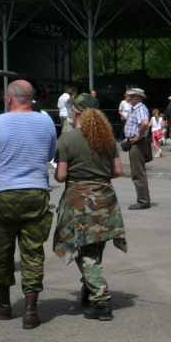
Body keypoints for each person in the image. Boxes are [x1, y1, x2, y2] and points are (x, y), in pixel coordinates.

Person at [0, 80, 58, 328]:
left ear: (9, 97)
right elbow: (50, 154)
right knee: (33, 251)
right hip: (36, 192)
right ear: (31, 97)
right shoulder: (46, 121)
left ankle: (3, 303)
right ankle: (31, 310)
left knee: (2, 248)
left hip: (3, 194)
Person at [54, 93, 126, 320]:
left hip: (79, 201)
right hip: (105, 199)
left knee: (83, 251)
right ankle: (90, 289)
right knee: (95, 248)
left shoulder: (67, 140)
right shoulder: (107, 138)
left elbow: (61, 175)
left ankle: (102, 300)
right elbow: (117, 171)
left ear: (75, 112)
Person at [123, 88, 151, 210]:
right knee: (138, 171)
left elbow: (144, 123)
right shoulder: (136, 108)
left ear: (139, 98)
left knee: (138, 172)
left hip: (138, 144)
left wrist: (138, 136)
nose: (129, 98)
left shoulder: (140, 108)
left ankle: (143, 201)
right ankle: (143, 199)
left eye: (133, 96)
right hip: (135, 142)